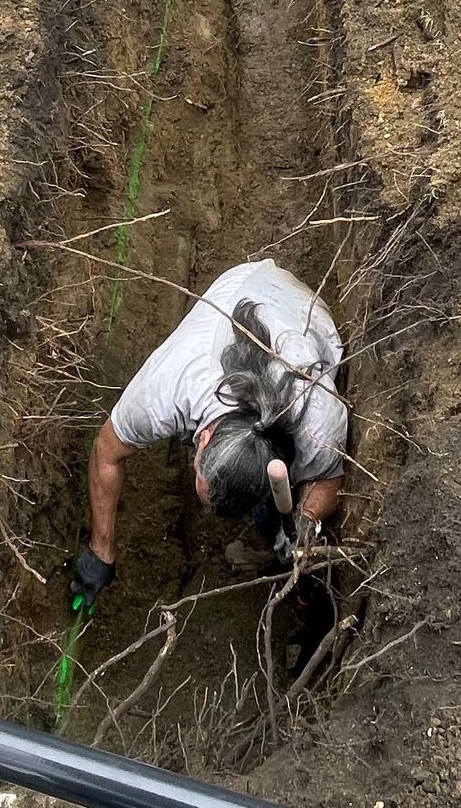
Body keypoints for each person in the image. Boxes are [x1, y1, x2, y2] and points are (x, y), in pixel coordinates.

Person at [71, 259, 345, 611]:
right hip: (236, 284)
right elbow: (106, 451)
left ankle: (270, 531)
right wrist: (100, 551)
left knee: (283, 506)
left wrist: (304, 525)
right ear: (204, 435)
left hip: (299, 307)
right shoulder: (164, 390)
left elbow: (328, 478)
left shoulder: (316, 415)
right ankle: (267, 526)